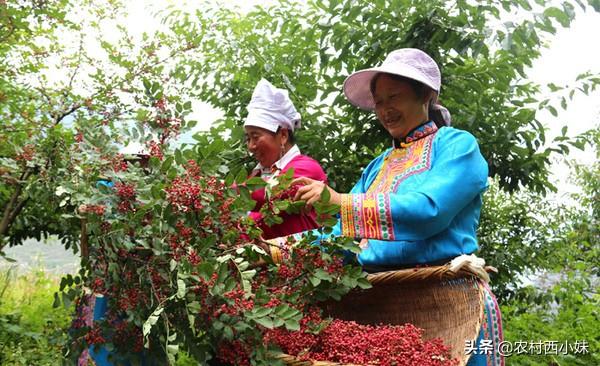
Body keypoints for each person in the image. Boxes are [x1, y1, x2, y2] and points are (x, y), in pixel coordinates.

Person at [292, 48, 503, 366]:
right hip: (383, 304)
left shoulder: (457, 146)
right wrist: (286, 249)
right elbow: (340, 238)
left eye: (395, 97)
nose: (385, 109)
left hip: (451, 301)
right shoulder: (377, 167)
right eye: (379, 101)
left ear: (427, 95)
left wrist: (339, 202)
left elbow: (428, 212)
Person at [244, 79, 327, 240]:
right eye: (248, 139)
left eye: (255, 137)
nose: (251, 146)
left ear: (282, 135)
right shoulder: (257, 175)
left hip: (302, 262)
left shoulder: (306, 169)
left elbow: (265, 195)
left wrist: (215, 193)